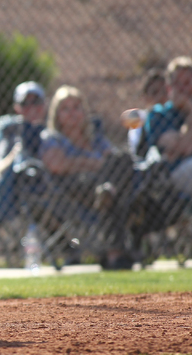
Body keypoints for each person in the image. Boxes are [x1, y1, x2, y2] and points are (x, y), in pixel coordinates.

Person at [39, 85, 134, 268]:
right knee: (114, 190)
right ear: (56, 115)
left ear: (84, 112)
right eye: (65, 109)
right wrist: (94, 164)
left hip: (104, 184)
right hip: (73, 189)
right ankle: (116, 252)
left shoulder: (95, 138)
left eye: (76, 107)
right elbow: (58, 165)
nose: (72, 113)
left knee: (123, 161)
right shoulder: (52, 138)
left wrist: (78, 162)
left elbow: (113, 158)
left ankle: (107, 192)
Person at [144, 56, 192, 242]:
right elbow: (187, 148)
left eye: (187, 83)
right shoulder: (158, 115)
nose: (182, 89)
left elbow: (184, 146)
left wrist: (189, 147)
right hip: (174, 177)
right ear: (169, 88)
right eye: (177, 84)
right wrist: (190, 113)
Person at [0, 81, 48, 224]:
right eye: (25, 103)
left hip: (49, 191)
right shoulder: (10, 130)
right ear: (17, 107)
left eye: (36, 102)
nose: (31, 107)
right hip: (17, 189)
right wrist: (17, 152)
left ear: (44, 104)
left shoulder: (52, 130)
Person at [125, 68, 168, 158]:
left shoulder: (173, 115)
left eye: (164, 92)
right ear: (145, 97)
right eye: (154, 93)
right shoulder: (140, 117)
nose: (160, 97)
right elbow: (135, 149)